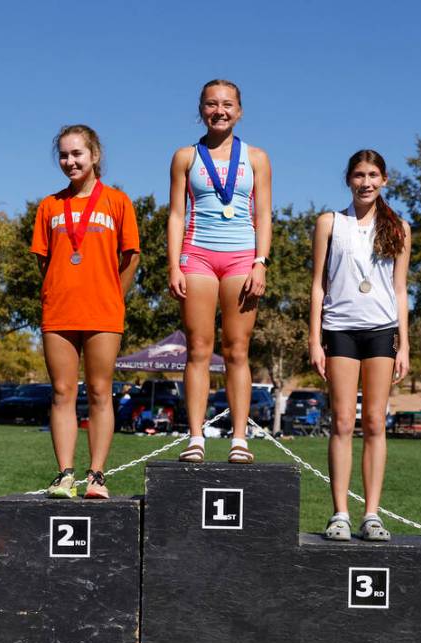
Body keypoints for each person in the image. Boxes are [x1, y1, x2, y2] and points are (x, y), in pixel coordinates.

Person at [32, 125, 140, 498]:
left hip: (104, 311)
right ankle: (64, 474)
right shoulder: (49, 205)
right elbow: (44, 262)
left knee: (99, 391)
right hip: (59, 312)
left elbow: (131, 256)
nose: (70, 161)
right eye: (63, 155)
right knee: (62, 392)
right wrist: (57, 291)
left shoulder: (117, 201)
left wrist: (114, 294)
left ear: (94, 155)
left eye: (77, 153)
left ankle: (96, 476)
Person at [309, 150, 411, 541]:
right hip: (340, 329)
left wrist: (404, 345)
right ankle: (339, 513)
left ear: (384, 180)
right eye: (358, 175)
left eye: (372, 175)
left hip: (382, 330)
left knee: (374, 423)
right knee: (341, 423)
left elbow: (400, 290)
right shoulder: (330, 223)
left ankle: (372, 514)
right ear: (348, 180)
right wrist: (315, 339)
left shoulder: (399, 227)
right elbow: (318, 285)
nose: (365, 182)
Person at [168, 79, 271, 464]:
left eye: (227, 104)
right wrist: (174, 263)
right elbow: (177, 214)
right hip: (197, 257)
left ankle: (239, 439)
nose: (219, 111)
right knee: (197, 349)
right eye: (211, 104)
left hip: (242, 258)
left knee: (237, 350)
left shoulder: (257, 158)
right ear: (201, 109)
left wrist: (261, 262)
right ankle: (195, 436)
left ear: (239, 111)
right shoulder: (185, 156)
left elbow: (263, 214)